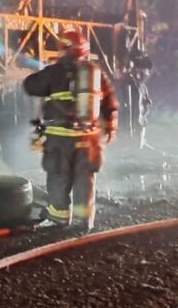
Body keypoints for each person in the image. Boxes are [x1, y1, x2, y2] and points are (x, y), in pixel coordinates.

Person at [24, 29, 117, 229]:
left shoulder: (53, 72)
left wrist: (46, 70)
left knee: (59, 177)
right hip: (89, 139)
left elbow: (29, 86)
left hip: (60, 139)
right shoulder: (96, 73)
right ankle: (84, 220)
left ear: (63, 49)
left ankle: (59, 217)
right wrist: (110, 128)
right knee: (85, 179)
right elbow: (110, 104)